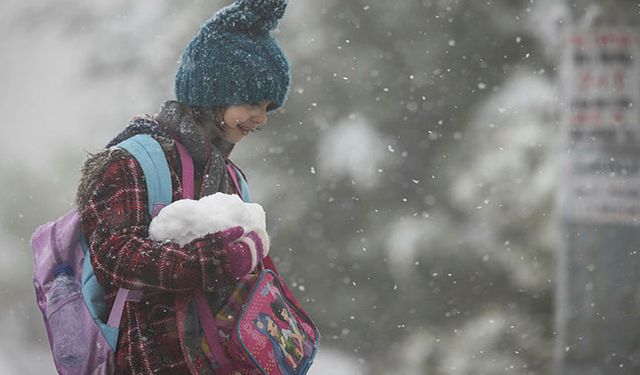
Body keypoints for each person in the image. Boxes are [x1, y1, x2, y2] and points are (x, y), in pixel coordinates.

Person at [75, 0, 290, 373]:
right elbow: (115, 256)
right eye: (253, 102)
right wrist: (220, 261)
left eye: (269, 107)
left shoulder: (232, 178)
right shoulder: (135, 161)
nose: (261, 118)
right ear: (213, 92)